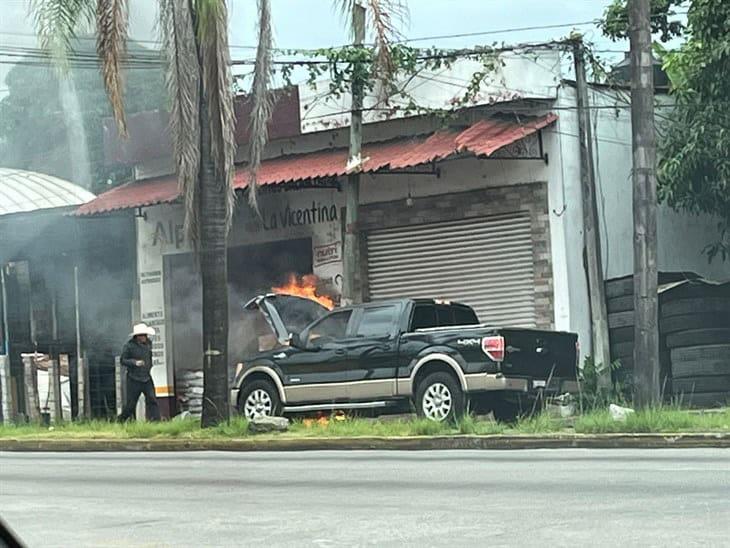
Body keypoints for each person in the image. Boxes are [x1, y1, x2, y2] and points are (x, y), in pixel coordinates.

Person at [117, 323, 161, 422]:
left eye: (145, 335)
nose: (145, 337)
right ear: (137, 336)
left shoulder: (149, 344)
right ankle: (120, 420)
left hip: (146, 377)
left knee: (152, 399)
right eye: (143, 335)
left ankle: (156, 421)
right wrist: (135, 362)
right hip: (134, 379)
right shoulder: (129, 346)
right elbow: (123, 360)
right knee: (131, 404)